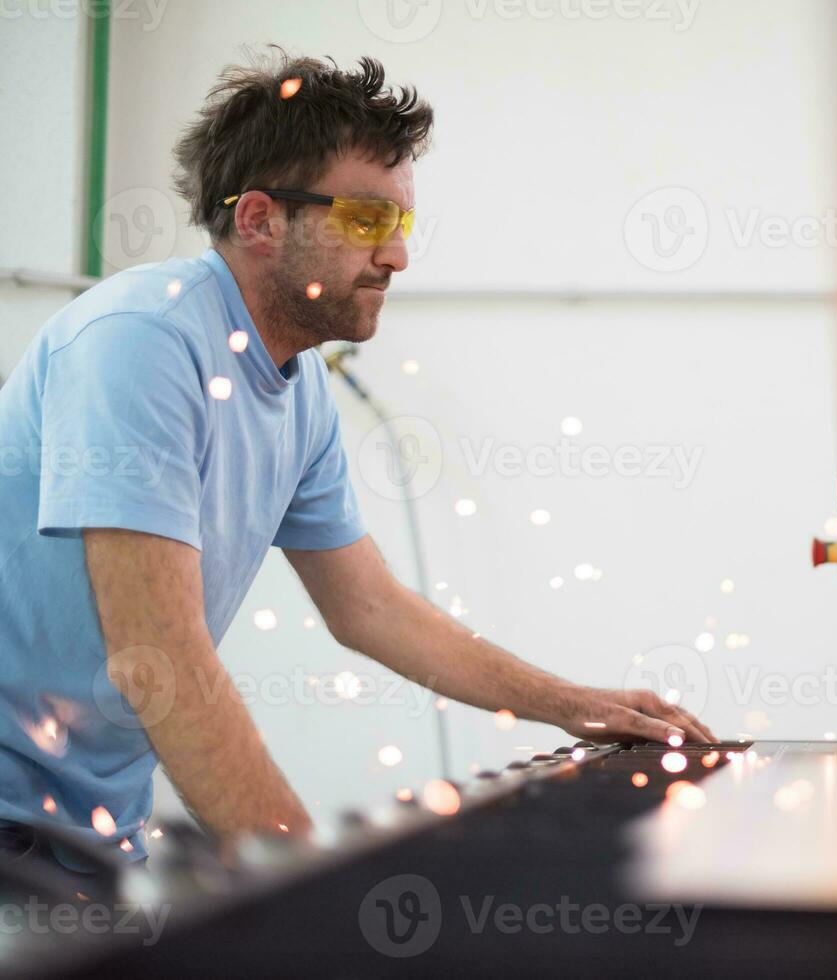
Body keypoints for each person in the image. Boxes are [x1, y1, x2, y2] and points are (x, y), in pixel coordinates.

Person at [0, 49, 714, 874]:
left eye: (401, 224)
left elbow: (371, 608)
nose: (398, 257)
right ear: (261, 220)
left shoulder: (296, 390)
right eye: (367, 221)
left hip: (82, 835)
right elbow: (156, 657)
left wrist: (576, 706)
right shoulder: (143, 341)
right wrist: (299, 879)